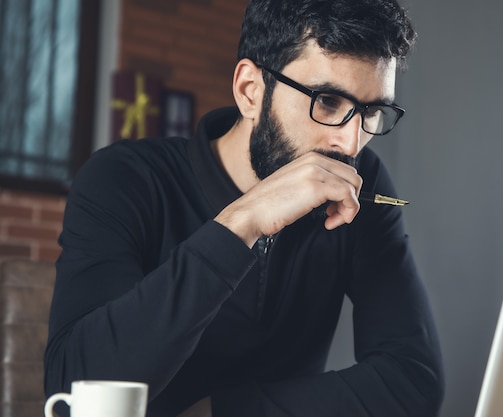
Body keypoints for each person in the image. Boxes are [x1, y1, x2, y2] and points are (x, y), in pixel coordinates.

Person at [44, 0, 445, 416]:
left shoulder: (361, 183)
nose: (350, 143)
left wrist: (220, 412)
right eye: (327, 101)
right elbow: (73, 391)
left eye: (371, 111)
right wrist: (240, 224)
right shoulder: (124, 179)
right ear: (250, 91)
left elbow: (414, 381)